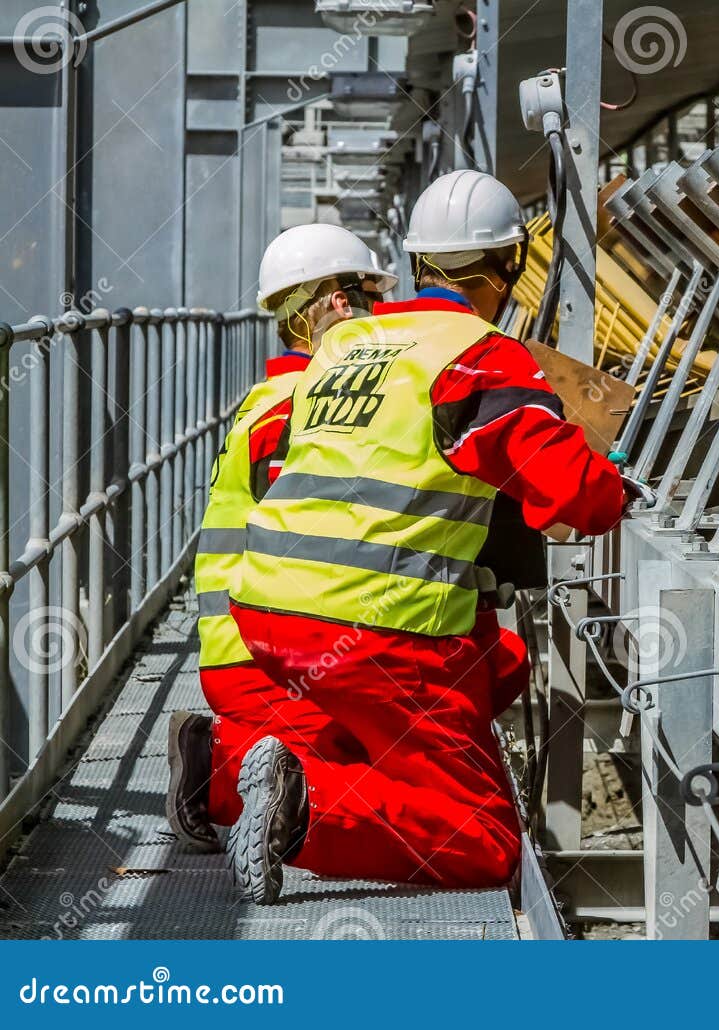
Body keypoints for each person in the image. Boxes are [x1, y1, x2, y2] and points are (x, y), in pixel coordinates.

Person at [227, 169, 632, 903]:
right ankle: (304, 809)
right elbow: (576, 494)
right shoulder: (480, 355)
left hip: (269, 611)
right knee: (484, 844)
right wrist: (619, 487)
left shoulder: (347, 347)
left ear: (414, 262)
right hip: (379, 627)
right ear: (512, 268)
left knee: (496, 659)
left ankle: (284, 771)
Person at [167, 224, 396, 853]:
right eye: (373, 300)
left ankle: (216, 754)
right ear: (336, 303)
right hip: (262, 657)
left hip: (247, 647)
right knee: (365, 770)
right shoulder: (299, 406)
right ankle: (210, 768)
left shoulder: (274, 394)